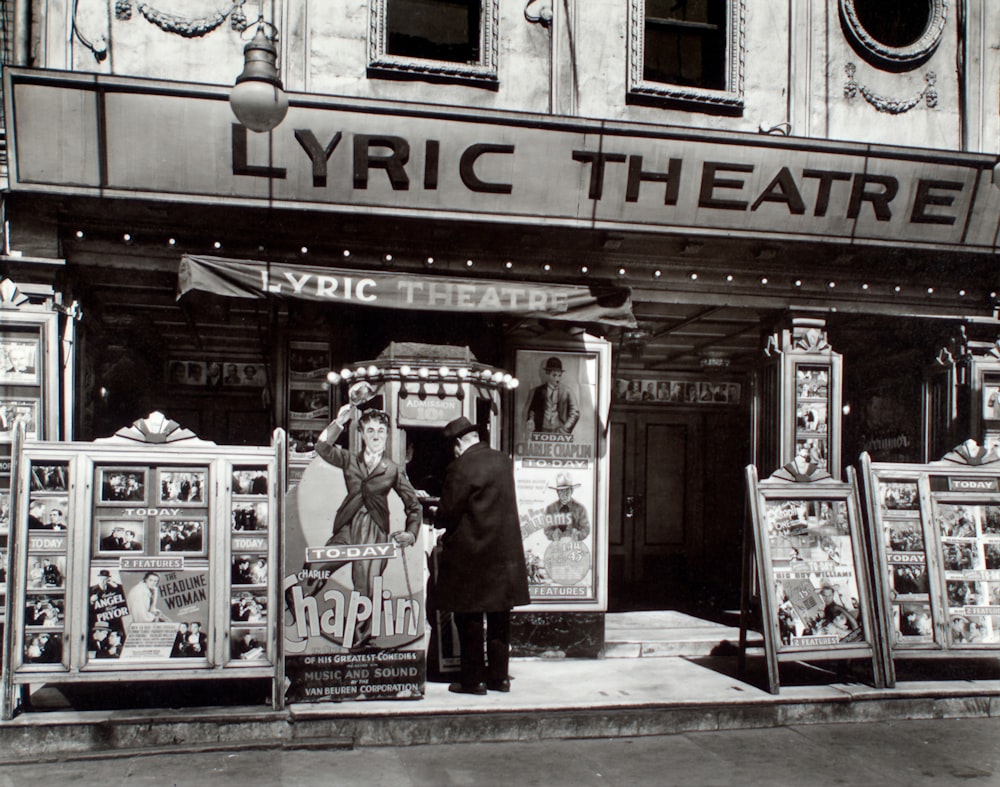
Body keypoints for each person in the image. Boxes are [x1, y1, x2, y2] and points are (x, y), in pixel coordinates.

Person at [300, 402, 422, 652]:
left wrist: (410, 533)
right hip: (347, 527)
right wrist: (338, 422)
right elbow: (322, 448)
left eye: (380, 431)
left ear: (387, 435)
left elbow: (414, 505)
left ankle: (360, 643)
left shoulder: (393, 470)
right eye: (370, 431)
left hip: (374, 532)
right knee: (315, 567)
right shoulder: (348, 459)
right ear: (362, 434)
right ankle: (300, 618)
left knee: (365, 586)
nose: (376, 436)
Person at [434, 416, 530, 695]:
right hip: (502, 554)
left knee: (469, 618)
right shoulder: (502, 461)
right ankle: (499, 679)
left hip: (472, 554)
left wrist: (437, 517)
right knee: (500, 617)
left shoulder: (461, 466)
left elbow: (448, 512)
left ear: (458, 443)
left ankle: (472, 681)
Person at [524, 356, 580, 434]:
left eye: (559, 375)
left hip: (560, 430)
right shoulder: (539, 391)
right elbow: (532, 410)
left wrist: (566, 428)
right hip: (541, 430)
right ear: (547, 374)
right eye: (554, 375)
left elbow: (575, 412)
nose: (557, 379)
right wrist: (531, 420)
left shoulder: (567, 391)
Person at [542, 473, 590, 541]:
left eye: (567, 491)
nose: (564, 495)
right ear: (557, 492)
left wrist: (578, 535)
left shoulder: (580, 508)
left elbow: (586, 529)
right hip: (556, 547)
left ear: (572, 491)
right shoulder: (550, 509)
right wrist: (553, 534)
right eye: (561, 491)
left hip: (576, 547)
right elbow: (547, 529)